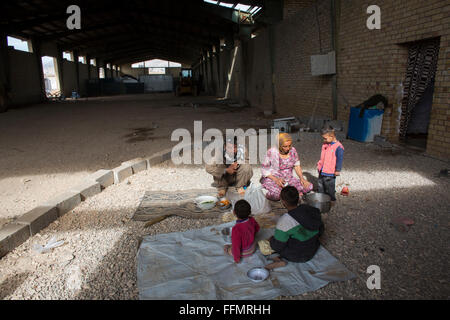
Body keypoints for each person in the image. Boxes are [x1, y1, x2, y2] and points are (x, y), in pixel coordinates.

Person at [265, 186, 324, 270]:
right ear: (298, 198)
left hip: (297, 256)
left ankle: (278, 260)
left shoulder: (284, 221)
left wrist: (272, 241)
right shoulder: (311, 210)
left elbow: (278, 246)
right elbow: (321, 230)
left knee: (274, 246)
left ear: (283, 202)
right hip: (313, 248)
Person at [261, 133, 313, 201]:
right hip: (273, 179)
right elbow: (265, 170)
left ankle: (289, 193)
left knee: (309, 186)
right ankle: (266, 192)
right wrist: (276, 180)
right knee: (277, 195)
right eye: (285, 146)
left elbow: (297, 165)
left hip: (289, 179)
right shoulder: (272, 152)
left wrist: (302, 179)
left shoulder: (293, 150)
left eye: (289, 145)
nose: (288, 148)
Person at [316, 125, 344, 203]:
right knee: (320, 184)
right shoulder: (325, 144)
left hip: (330, 172)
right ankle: (321, 197)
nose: (324, 140)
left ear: (332, 136)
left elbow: (339, 160)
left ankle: (332, 199)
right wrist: (319, 164)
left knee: (329, 186)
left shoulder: (339, 147)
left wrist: (337, 170)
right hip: (322, 169)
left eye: (325, 138)